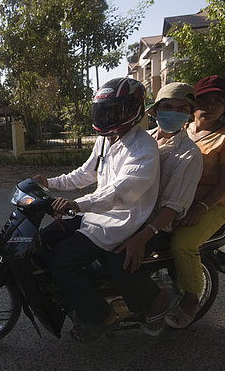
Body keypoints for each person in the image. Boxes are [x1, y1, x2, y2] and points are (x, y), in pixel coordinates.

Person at [34, 77, 160, 342]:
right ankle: (78, 294)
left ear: (133, 110)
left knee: (62, 260)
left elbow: (120, 192)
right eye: (104, 110)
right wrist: (49, 183)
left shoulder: (144, 147)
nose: (107, 116)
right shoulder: (107, 139)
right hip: (95, 214)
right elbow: (85, 174)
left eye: (115, 110)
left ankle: (103, 316)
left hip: (120, 221)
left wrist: (78, 204)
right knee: (43, 240)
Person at [113, 82, 203, 336]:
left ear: (189, 114)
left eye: (182, 108)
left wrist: (142, 237)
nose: (174, 112)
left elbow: (173, 207)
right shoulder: (141, 139)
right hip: (128, 214)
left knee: (119, 261)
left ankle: (157, 299)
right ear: (156, 110)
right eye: (168, 107)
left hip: (154, 224)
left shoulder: (189, 154)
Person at [165, 75, 225, 329]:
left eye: (218, 101)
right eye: (204, 100)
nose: (210, 106)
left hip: (210, 206)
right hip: (174, 200)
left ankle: (191, 300)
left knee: (182, 244)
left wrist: (200, 208)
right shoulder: (180, 130)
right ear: (193, 103)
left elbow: (224, 184)